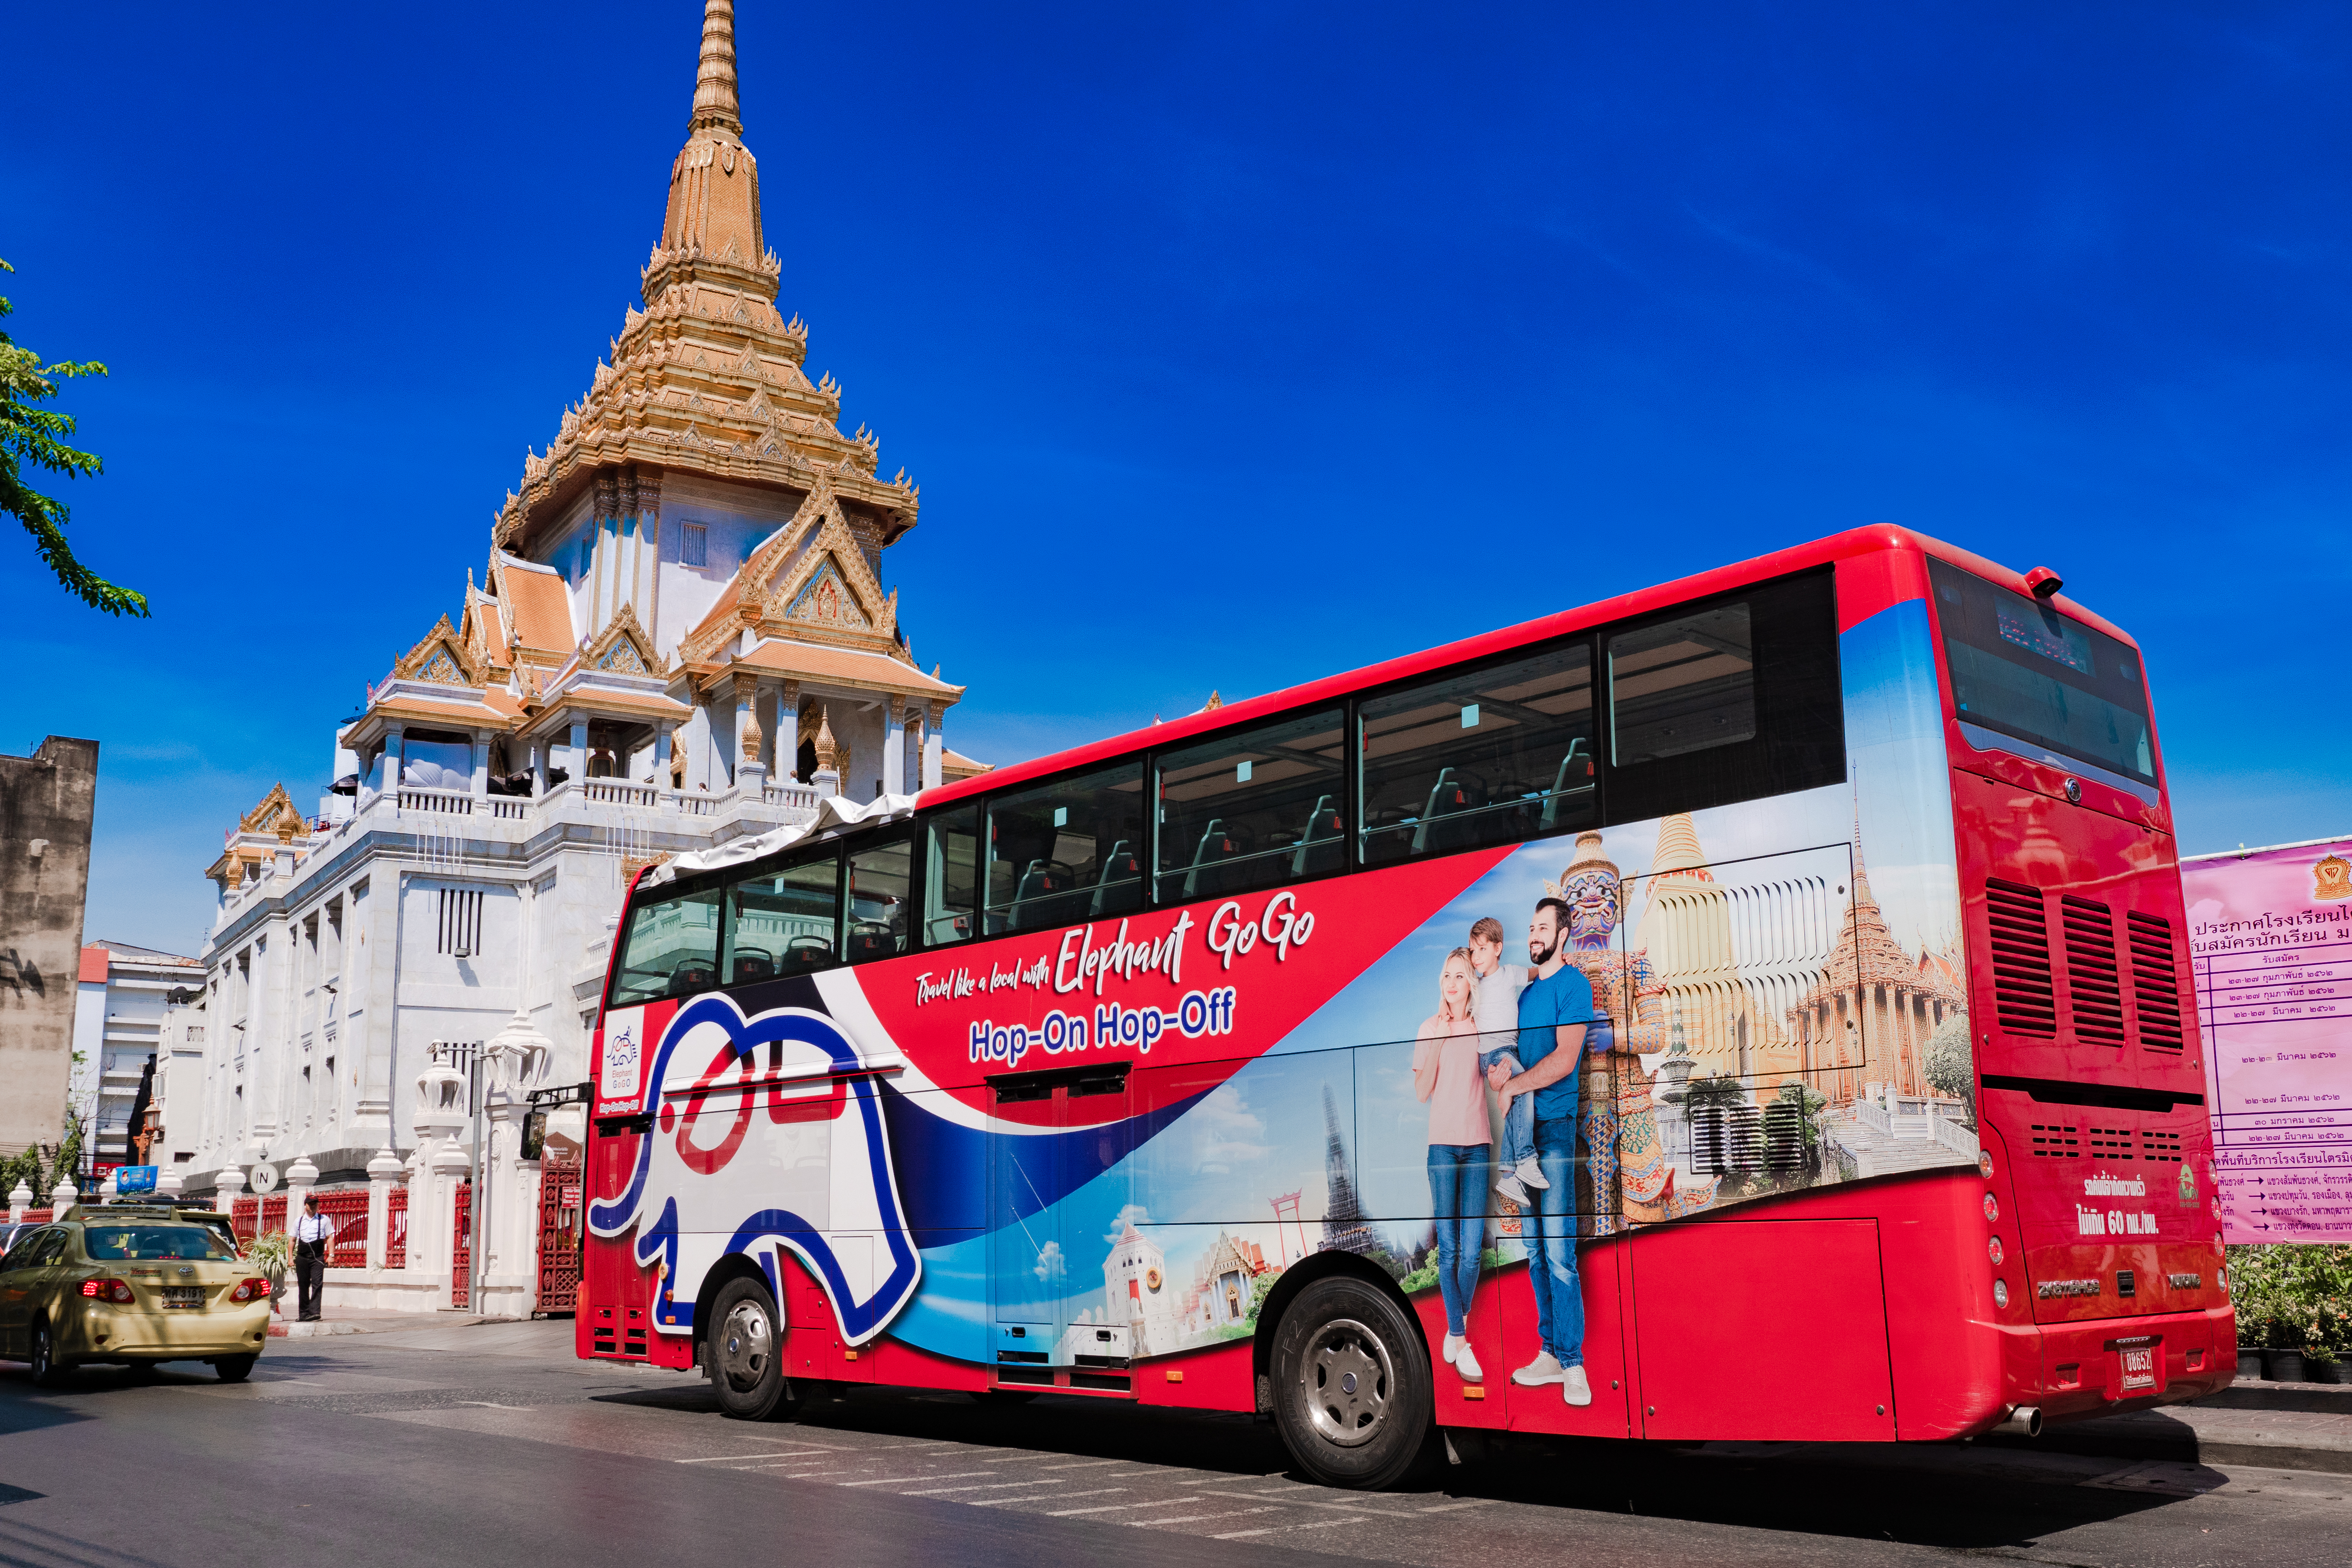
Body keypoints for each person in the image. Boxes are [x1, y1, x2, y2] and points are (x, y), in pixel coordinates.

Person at [1489, 896, 1596, 1406]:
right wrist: (1499, 1075)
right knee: (1533, 1252)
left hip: (1555, 1134)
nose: (1533, 935)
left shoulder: (1573, 986)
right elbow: (1511, 1055)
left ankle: (1574, 1365)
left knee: (1558, 1253)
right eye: (1529, 927)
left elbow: (1565, 1060)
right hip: (1521, 1136)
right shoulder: (1526, 994)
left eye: (1541, 927)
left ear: (1564, 932)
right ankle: (1550, 1352)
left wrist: (1517, 1085)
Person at [1411, 948, 1490, 1383]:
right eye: (1447, 975)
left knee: (1473, 1248)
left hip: (1478, 1144)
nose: (1452, 982)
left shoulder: (1482, 1026)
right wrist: (1440, 1041)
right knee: (1451, 1247)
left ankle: (1455, 1329)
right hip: (1442, 1148)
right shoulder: (1429, 1028)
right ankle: (1461, 1339)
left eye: (1460, 975)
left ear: (1470, 984)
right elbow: (1421, 1091)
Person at [1467, 916, 1546, 1206]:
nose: (1476, 957)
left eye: (1482, 949)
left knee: (1516, 1102)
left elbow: (1537, 973)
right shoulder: (1475, 985)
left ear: (1498, 948)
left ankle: (1510, 1176)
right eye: (1473, 951)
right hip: (1493, 1053)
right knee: (1524, 1086)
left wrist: (1563, 960)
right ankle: (1524, 1159)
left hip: (1510, 1050)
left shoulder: (1511, 974)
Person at [291, 1194, 333, 1322]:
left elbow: (330, 1237)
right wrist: (290, 1259)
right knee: (303, 1285)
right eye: (311, 1204)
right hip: (302, 1257)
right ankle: (304, 1314)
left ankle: (315, 1313)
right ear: (306, 1206)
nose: (314, 1206)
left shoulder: (324, 1220)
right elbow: (292, 1240)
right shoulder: (298, 1221)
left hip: (317, 1257)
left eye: (316, 1204)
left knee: (317, 1283)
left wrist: (331, 1255)